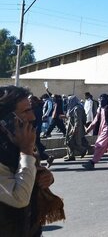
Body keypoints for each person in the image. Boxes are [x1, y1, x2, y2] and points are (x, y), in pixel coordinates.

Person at [0, 85, 63, 236]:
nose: (33, 117)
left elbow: (31, 173)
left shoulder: (16, 142)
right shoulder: (23, 146)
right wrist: (26, 151)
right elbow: (19, 197)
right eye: (26, 111)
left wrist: (45, 176)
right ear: (6, 119)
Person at [82, 94, 108, 170]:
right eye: (100, 99)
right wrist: (88, 129)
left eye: (102, 99)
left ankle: (92, 162)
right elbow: (95, 120)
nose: (101, 101)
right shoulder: (100, 109)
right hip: (102, 129)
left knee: (99, 145)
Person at [63, 95, 89, 161]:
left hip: (75, 127)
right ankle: (71, 156)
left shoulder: (77, 108)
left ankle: (82, 150)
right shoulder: (72, 108)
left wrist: (75, 129)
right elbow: (70, 117)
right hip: (70, 126)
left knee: (70, 142)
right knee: (68, 141)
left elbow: (78, 120)